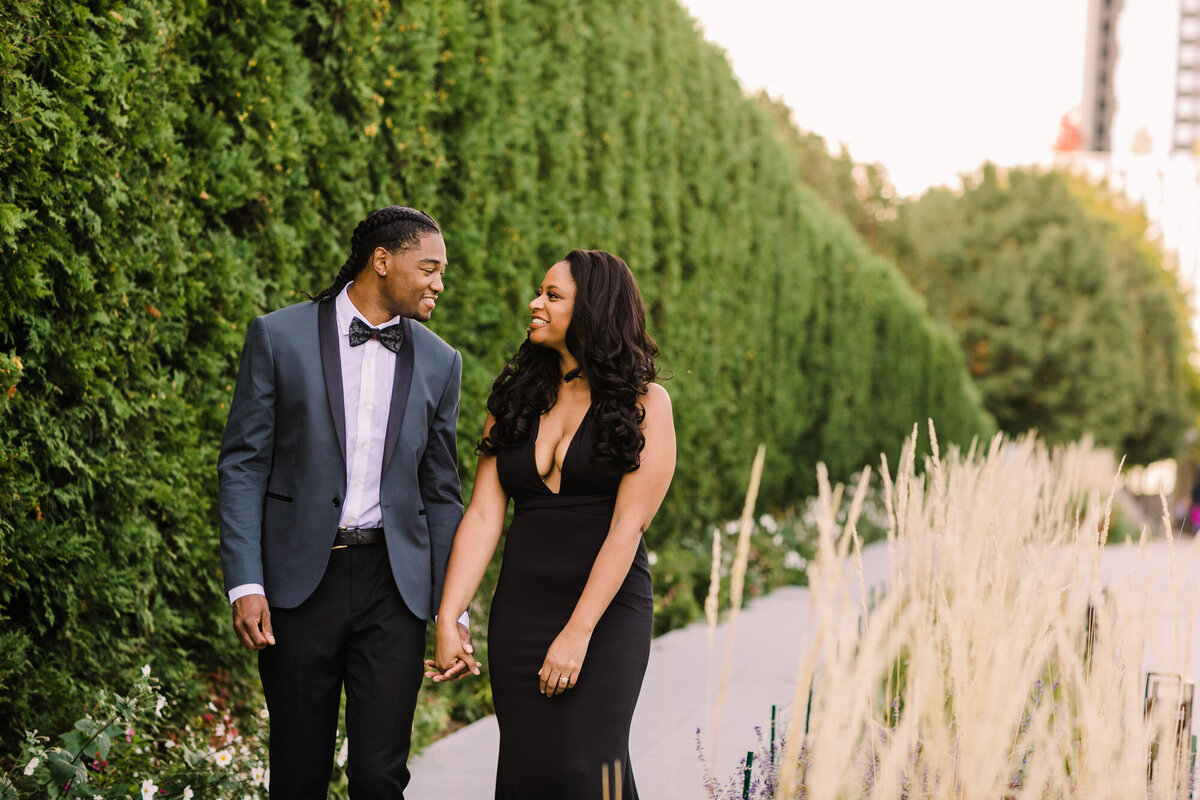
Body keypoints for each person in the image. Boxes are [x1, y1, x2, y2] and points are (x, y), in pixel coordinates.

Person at [217, 205, 472, 798]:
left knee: (381, 775)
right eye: (428, 268)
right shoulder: (277, 337)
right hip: (299, 585)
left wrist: (452, 610)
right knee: (299, 771)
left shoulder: (441, 362)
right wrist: (245, 582)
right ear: (381, 261)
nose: (440, 283)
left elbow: (441, 492)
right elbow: (243, 465)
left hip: (395, 587)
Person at [425, 249, 676, 799]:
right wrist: (451, 616)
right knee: (530, 771)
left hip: (606, 614)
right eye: (540, 292)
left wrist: (578, 633)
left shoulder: (645, 404)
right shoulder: (515, 398)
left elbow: (626, 529)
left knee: (587, 770)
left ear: (594, 310)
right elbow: (485, 514)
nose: (535, 303)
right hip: (523, 611)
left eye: (553, 296)